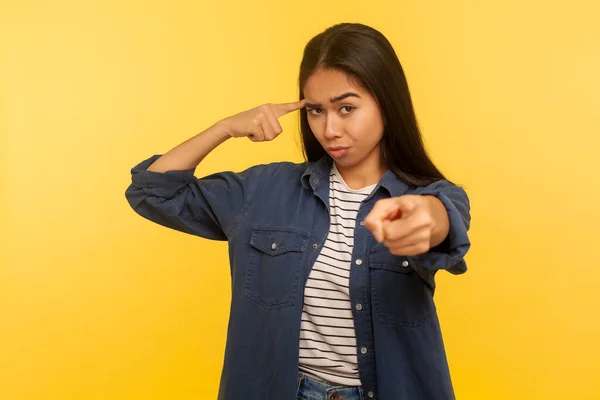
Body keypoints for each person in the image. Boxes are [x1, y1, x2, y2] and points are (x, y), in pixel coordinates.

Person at [125, 22, 471, 400]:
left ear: (386, 103)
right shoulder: (264, 191)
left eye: (347, 108)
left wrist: (428, 218)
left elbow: (443, 221)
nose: (330, 129)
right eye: (316, 111)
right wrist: (224, 128)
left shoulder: (428, 196)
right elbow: (151, 192)